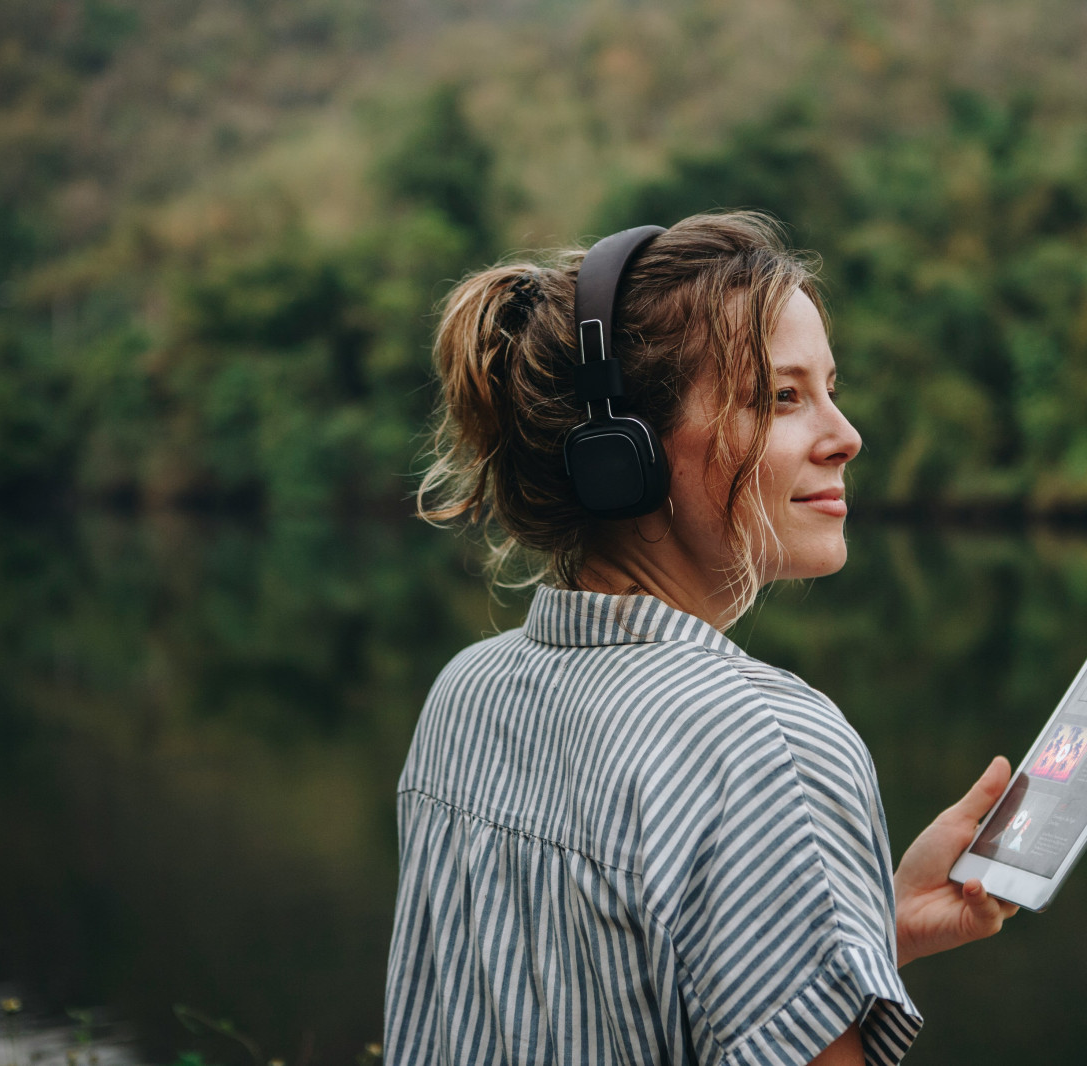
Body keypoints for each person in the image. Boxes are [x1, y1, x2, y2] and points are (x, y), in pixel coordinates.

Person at [385, 212, 1018, 1066]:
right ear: (626, 453)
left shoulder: (468, 692)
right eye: (782, 397)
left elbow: (584, 998)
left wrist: (870, 928)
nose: (845, 436)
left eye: (831, 388)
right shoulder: (769, 743)